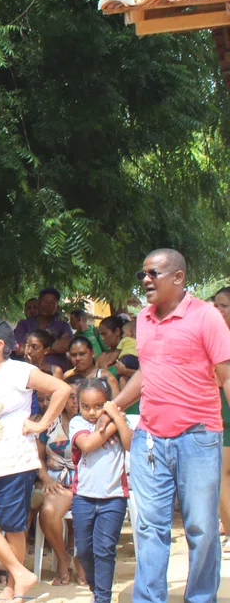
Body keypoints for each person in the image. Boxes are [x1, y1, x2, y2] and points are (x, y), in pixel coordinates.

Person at [108, 249, 230, 603]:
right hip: (149, 440)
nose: (146, 280)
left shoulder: (207, 318)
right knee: (148, 529)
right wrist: (114, 404)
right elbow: (148, 372)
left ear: (178, 278)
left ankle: (201, 598)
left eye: (153, 273)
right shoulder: (143, 319)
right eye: (143, 273)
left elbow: (225, 376)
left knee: (202, 528)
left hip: (198, 437)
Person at [0, 315, 72, 602]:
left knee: (13, 528)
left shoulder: (19, 371)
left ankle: (13, 587)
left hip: (14, 462)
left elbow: (62, 389)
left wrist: (41, 424)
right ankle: (20, 572)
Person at [69, 378, 130, 603]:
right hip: (83, 497)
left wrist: (118, 420)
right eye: (86, 407)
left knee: (105, 549)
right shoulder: (77, 423)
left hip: (113, 497)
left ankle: (102, 598)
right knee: (85, 550)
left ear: (109, 403)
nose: (92, 412)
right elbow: (86, 444)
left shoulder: (119, 421)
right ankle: (97, 589)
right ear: (78, 405)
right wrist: (113, 421)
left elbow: (130, 443)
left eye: (98, 406)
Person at [34, 379, 80, 586]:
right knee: (48, 512)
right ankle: (63, 559)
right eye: (69, 396)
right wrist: (44, 478)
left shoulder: (94, 422)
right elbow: (37, 457)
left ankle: (83, 561)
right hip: (58, 482)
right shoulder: (49, 422)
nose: (73, 401)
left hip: (87, 483)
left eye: (76, 396)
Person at [213, 287, 230, 553]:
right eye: (215, 305)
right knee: (219, 476)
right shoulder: (214, 335)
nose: (217, 311)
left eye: (223, 305)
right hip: (218, 412)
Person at [30, 289, 72, 369]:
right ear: (38, 303)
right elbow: (21, 349)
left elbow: (67, 345)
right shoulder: (24, 324)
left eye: (52, 303)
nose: (47, 305)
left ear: (57, 307)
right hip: (30, 373)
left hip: (56, 374)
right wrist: (55, 345)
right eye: (45, 301)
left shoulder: (63, 326)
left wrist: (35, 347)